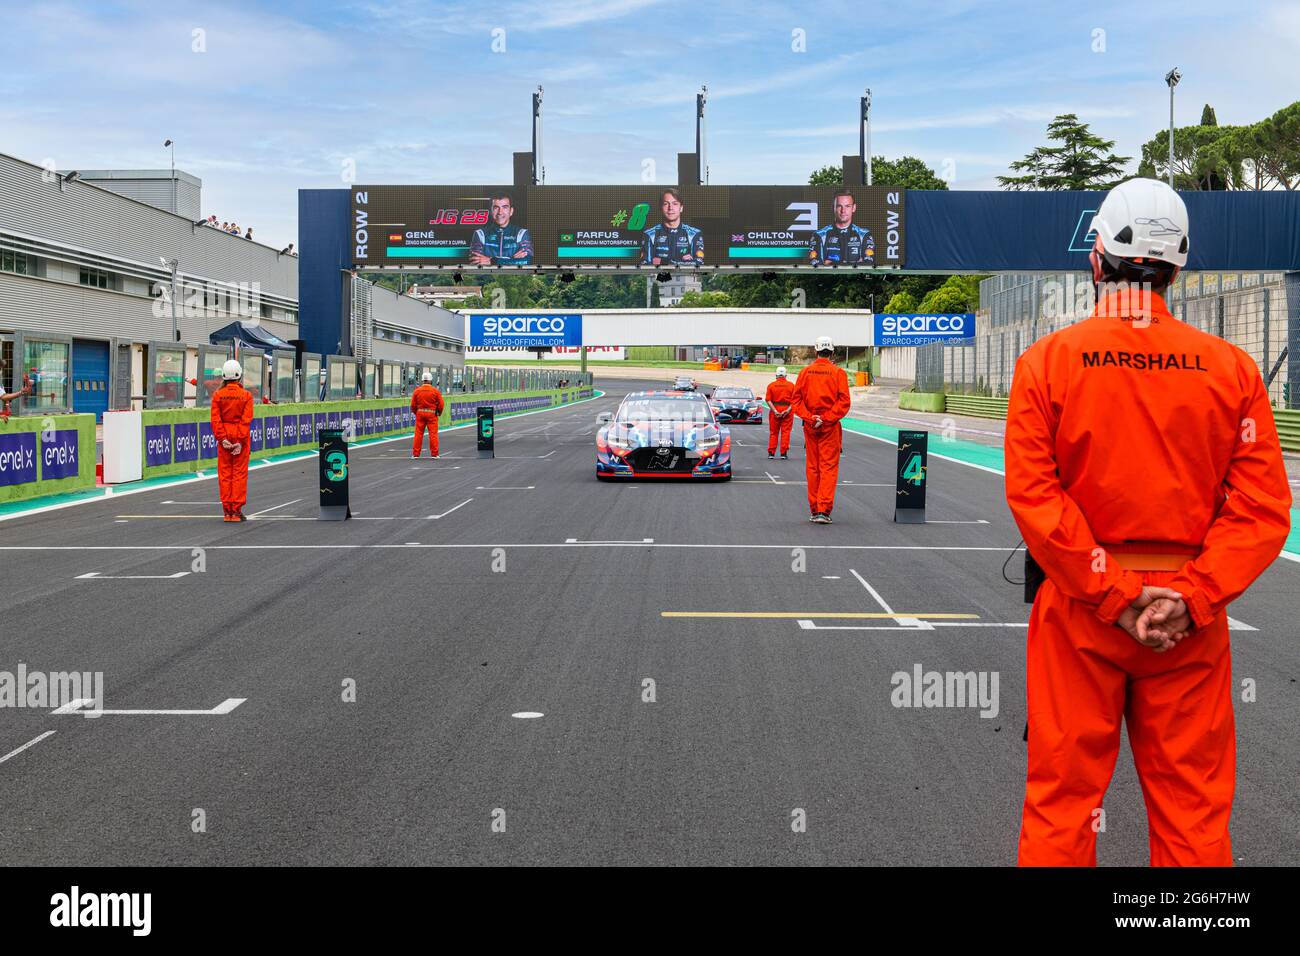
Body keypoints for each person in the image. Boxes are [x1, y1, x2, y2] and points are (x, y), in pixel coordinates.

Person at [1005, 178, 1291, 867]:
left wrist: (1112, 593)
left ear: (1097, 258)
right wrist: (1189, 598)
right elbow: (1262, 508)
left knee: (1062, 804)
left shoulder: (1047, 362)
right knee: (1193, 811)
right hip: (1188, 614)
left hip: (1082, 604)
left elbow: (1035, 498)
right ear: (1178, 265)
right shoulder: (1232, 368)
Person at [792, 336, 851, 523]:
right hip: (830, 425)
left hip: (810, 425)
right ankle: (823, 511)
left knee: (813, 468)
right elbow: (844, 402)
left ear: (816, 351)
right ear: (832, 352)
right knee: (828, 468)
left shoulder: (805, 372)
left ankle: (814, 509)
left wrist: (811, 418)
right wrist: (825, 419)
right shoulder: (838, 373)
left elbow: (796, 400)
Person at [211, 358, 254, 522]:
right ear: (239, 375)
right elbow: (246, 419)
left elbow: (215, 419)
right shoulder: (246, 395)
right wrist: (240, 441)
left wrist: (222, 439)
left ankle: (227, 511)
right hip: (239, 435)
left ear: (223, 375)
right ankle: (236, 511)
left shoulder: (218, 395)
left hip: (224, 435)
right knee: (239, 474)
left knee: (225, 474)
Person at [809, 190, 875, 266]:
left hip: (856, 277)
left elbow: (869, 263)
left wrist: (831, 263)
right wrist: (855, 263)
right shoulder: (819, 235)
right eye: (839, 206)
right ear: (833, 208)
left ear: (854, 208)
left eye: (847, 206)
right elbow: (816, 265)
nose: (843, 211)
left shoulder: (864, 235)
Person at [643, 188, 703, 266]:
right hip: (657, 277)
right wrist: (683, 261)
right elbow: (645, 264)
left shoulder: (694, 233)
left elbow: (699, 262)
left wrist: (665, 262)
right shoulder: (649, 234)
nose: (670, 208)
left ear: (681, 208)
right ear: (660, 208)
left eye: (675, 204)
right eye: (666, 204)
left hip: (686, 277)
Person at [469, 193, 532, 265]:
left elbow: (527, 261)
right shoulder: (480, 234)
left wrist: (493, 261)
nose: (500, 212)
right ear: (491, 211)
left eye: (505, 207)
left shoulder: (522, 233)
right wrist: (512, 260)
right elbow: (475, 262)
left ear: (511, 211)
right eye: (496, 208)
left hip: (514, 276)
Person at [410, 371, 445, 458]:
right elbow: (441, 404)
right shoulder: (435, 391)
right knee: (433, 434)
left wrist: (416, 413)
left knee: (418, 434)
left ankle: (415, 454)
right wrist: (438, 412)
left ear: (422, 380)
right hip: (432, 414)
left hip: (420, 413)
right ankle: (434, 454)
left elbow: (413, 405)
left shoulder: (417, 391)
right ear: (430, 381)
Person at [765, 365, 795, 460]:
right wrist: (787, 410)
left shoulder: (771, 385)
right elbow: (794, 400)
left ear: (776, 375)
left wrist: (775, 411)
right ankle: (783, 453)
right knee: (786, 432)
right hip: (787, 410)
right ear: (785, 375)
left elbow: (768, 400)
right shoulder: (791, 385)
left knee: (773, 432)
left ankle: (771, 453)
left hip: (775, 409)